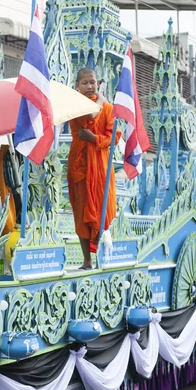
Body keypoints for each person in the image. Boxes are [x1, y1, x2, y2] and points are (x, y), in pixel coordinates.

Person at [67, 68, 121, 269]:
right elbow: (89, 113)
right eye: (85, 83)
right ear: (77, 86)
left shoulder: (107, 108)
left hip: (101, 165)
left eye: (93, 82)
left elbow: (113, 136)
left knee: (103, 210)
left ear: (98, 83)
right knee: (81, 213)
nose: (90, 86)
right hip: (80, 164)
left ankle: (100, 256)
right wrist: (101, 101)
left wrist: (94, 138)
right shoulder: (76, 103)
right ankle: (87, 260)